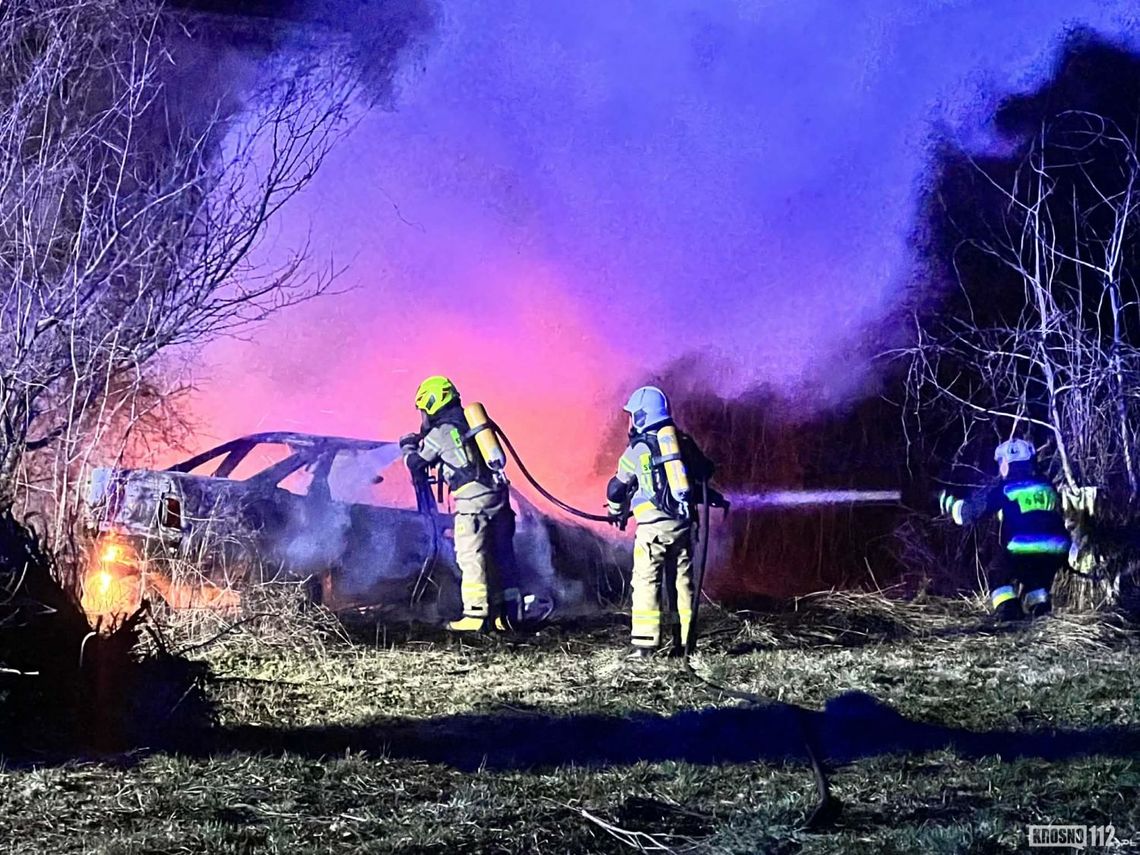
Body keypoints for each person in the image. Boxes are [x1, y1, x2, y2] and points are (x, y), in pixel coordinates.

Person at [605, 385, 723, 659]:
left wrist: (616, 510)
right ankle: (685, 642)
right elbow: (705, 471)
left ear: (643, 416)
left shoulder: (638, 450)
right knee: (683, 582)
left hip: (653, 531)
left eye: (634, 415)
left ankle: (645, 645)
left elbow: (616, 488)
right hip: (683, 526)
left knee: (647, 581)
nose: (631, 421)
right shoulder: (681, 441)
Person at [401, 375, 516, 632]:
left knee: (470, 555)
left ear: (431, 403)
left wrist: (407, 447)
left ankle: (474, 615)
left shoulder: (441, 432)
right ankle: (506, 614)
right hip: (497, 496)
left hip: (472, 501)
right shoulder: (469, 423)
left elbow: (417, 464)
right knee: (500, 555)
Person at [939, 439, 1070, 620]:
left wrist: (947, 502)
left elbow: (966, 514)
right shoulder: (1046, 485)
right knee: (1034, 579)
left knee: (997, 572)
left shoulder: (1007, 487)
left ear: (1006, 464)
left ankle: (1008, 613)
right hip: (1057, 548)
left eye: (1000, 463)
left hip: (1024, 546)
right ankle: (1040, 612)